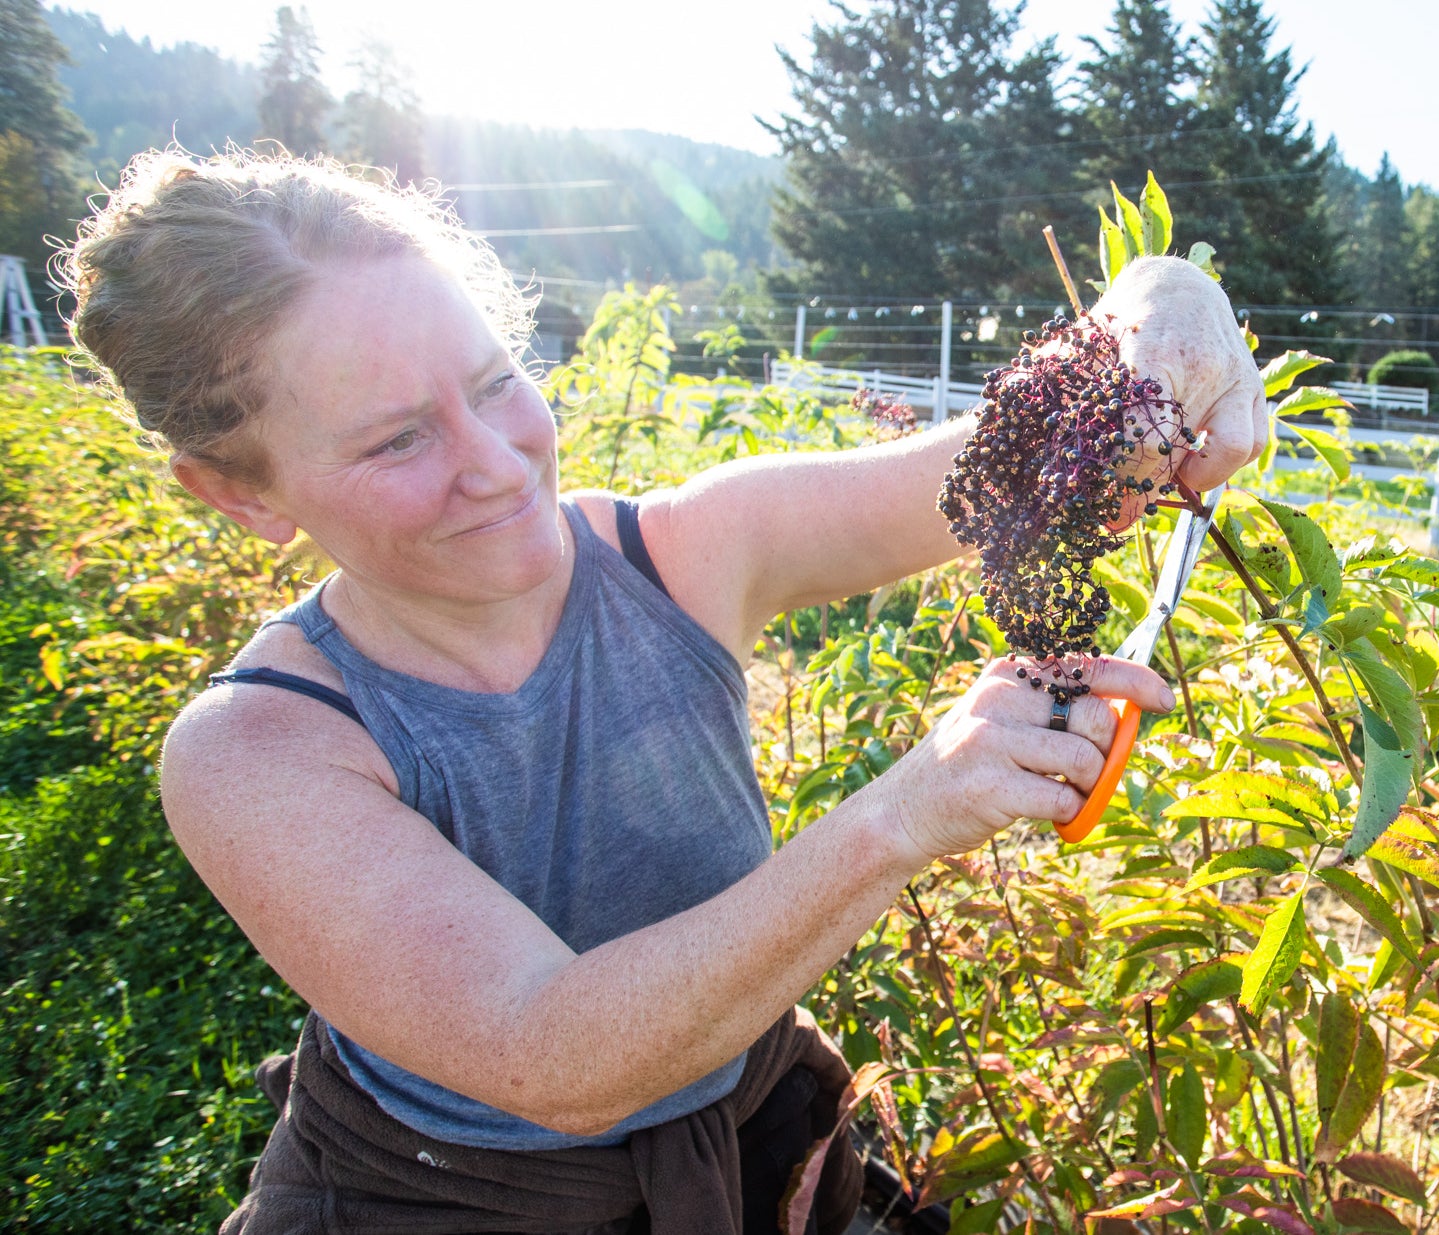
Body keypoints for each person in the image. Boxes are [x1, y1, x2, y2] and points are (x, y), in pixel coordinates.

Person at [61, 149, 1265, 1233]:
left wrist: (1161, 326)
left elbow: (1003, 458)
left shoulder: (677, 555)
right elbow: (553, 1054)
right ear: (243, 492)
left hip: (751, 1134)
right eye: (395, 441)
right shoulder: (261, 749)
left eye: (492, 384)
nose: (495, 467)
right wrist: (901, 813)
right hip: (452, 1198)